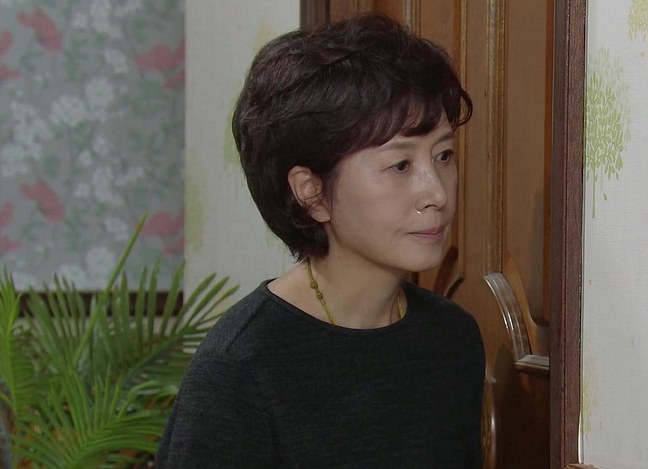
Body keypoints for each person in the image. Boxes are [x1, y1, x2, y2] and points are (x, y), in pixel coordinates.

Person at [155, 12, 485, 468]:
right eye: (401, 165)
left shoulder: (453, 338)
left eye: (444, 155)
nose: (437, 193)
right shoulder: (239, 369)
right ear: (311, 193)